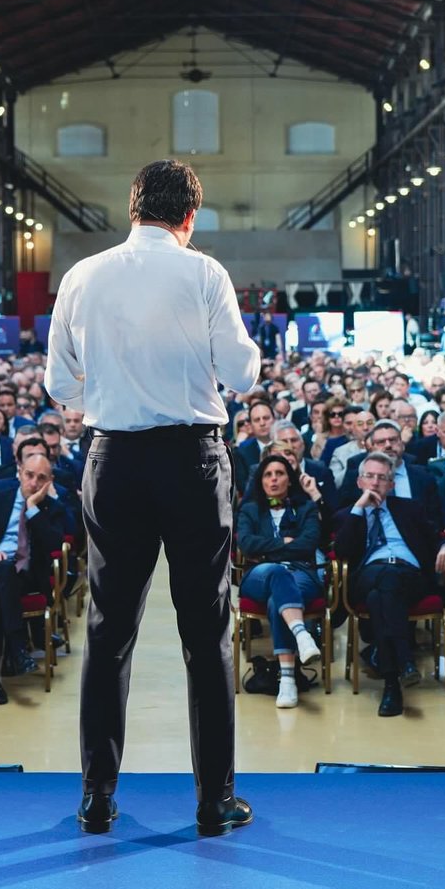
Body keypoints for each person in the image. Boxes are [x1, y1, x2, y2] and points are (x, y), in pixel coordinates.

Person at [46, 159, 260, 837]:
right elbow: (242, 376)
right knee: (207, 635)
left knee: (108, 632)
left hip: (113, 459)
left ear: (131, 209)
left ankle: (97, 799)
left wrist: (106, 402)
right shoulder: (203, 274)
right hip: (193, 460)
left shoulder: (83, 275)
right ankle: (213, 802)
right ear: (188, 217)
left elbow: (59, 382)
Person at [334, 451, 445, 717]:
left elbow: (436, 537)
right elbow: (341, 550)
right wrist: (359, 509)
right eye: (369, 477)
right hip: (367, 574)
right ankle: (404, 662)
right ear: (359, 482)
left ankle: (391, 684)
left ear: (392, 484)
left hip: (410, 575)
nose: (375, 483)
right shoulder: (347, 515)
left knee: (380, 597)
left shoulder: (410, 509)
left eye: (382, 478)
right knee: (383, 579)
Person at [0, 451, 68, 704]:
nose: (33, 483)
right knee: (1, 572)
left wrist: (32, 509)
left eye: (41, 478)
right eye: (29, 475)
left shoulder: (51, 508)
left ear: (49, 481)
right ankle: (18, 646)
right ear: (19, 472)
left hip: (24, 577)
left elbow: (55, 543)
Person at [237, 456, 323, 709]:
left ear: (290, 478)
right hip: (259, 575)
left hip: (301, 573)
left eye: (280, 473)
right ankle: (301, 633)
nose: (273, 479)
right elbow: (247, 543)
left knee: (279, 600)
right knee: (276, 572)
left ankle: (287, 681)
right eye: (268, 474)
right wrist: (285, 545)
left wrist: (271, 550)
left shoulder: (306, 507)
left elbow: (309, 542)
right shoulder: (250, 509)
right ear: (261, 480)